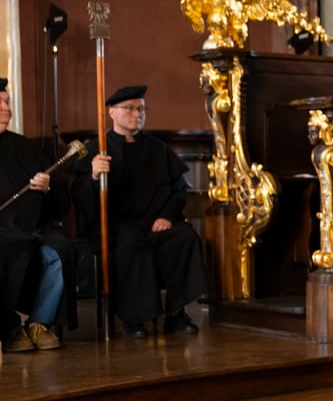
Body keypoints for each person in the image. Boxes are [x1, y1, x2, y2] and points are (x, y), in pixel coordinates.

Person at [72, 85, 208, 339]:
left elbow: (179, 191)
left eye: (142, 109)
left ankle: (176, 313)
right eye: (130, 109)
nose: (138, 114)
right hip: (119, 226)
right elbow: (81, 199)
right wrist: (92, 176)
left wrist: (167, 216)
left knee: (184, 237)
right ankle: (134, 318)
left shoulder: (157, 149)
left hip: (157, 221)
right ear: (112, 112)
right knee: (131, 245)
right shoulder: (95, 150)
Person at [0, 77, 68, 352]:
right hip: (3, 233)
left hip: (33, 228)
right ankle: (11, 327)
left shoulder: (25, 146)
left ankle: (39, 322)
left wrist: (48, 186)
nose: (6, 108)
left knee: (60, 253)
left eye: (6, 102)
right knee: (13, 250)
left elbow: (61, 197)